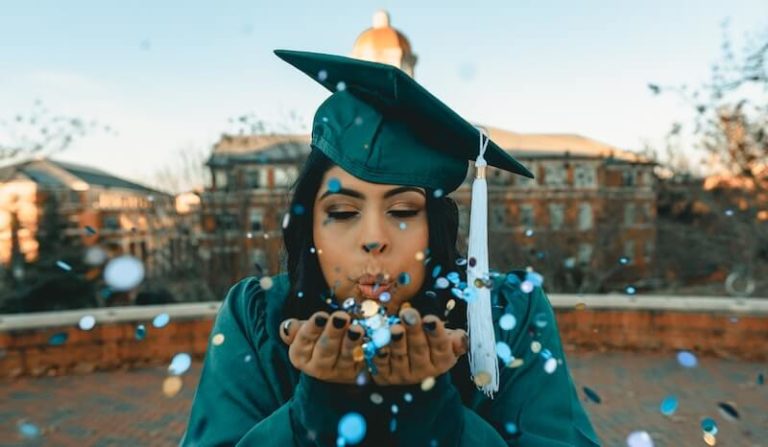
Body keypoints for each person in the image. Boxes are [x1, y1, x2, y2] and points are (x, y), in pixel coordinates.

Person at [180, 50, 601, 446]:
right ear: (310, 228)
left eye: (403, 210)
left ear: (434, 228)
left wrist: (437, 418)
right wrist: (316, 414)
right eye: (342, 213)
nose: (374, 238)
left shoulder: (504, 314)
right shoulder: (260, 317)